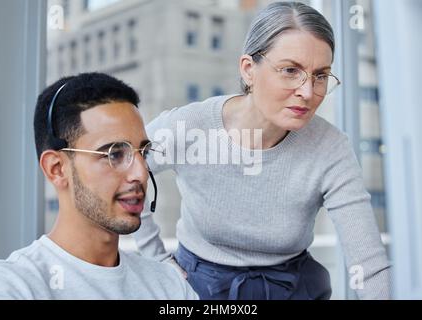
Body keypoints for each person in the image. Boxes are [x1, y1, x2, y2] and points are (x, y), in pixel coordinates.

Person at [134, 2, 391, 300]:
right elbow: (121, 171)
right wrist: (155, 259)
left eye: (320, 75)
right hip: (198, 287)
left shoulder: (330, 147)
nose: (308, 92)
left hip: (294, 288)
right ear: (248, 69)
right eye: (290, 70)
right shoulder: (190, 126)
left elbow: (368, 264)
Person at [0, 73, 198, 300]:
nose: (141, 173)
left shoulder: (168, 285)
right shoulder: (14, 287)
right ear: (57, 169)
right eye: (115, 154)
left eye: (144, 153)